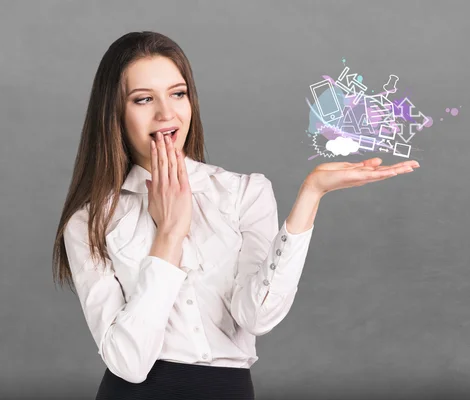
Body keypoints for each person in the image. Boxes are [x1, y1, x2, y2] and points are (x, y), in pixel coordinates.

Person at [51, 31, 419, 400]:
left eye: (178, 94)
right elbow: (127, 362)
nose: (167, 113)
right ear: (115, 114)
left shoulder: (244, 192)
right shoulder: (90, 221)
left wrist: (311, 195)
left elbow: (257, 317)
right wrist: (170, 235)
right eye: (144, 99)